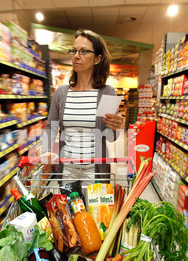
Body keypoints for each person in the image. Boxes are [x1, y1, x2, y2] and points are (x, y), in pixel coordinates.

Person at [40, 29, 125, 185]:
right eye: (74, 50)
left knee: (94, 210)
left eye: (84, 51)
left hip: (95, 172)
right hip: (67, 170)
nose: (76, 56)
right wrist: (46, 150)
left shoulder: (107, 92)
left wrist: (115, 126)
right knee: (70, 209)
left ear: (97, 59)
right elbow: (50, 128)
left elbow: (112, 138)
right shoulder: (61, 93)